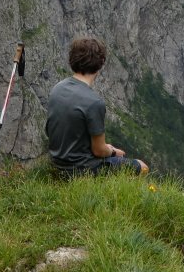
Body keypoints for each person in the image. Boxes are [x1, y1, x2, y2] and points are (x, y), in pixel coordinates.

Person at [46, 37, 149, 177]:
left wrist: (108, 149)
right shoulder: (94, 102)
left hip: (56, 164)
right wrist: (112, 151)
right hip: (81, 170)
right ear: (99, 65)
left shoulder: (57, 88)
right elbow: (99, 151)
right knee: (142, 167)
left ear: (72, 60)